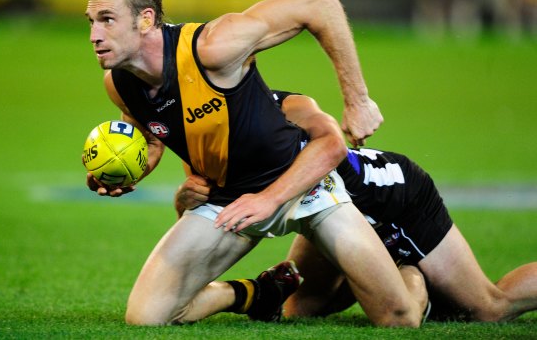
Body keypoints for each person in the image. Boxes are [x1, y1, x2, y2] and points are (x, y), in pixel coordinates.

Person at [83, 0, 428, 327]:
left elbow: (321, 4)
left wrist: (357, 100)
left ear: (145, 19)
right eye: (91, 21)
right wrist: (128, 169)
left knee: (398, 319)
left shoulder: (213, 46)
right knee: (146, 317)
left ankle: (414, 277)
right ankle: (255, 294)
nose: (94, 34)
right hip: (229, 199)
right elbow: (155, 136)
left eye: (107, 19)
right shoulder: (119, 84)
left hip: (301, 184)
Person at [176, 90, 537, 323]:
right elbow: (205, 223)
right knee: (301, 309)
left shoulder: (272, 115)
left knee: (488, 309)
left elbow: (325, 154)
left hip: (389, 197)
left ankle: (409, 274)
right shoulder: (209, 129)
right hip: (325, 206)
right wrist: (187, 200)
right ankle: (390, 271)